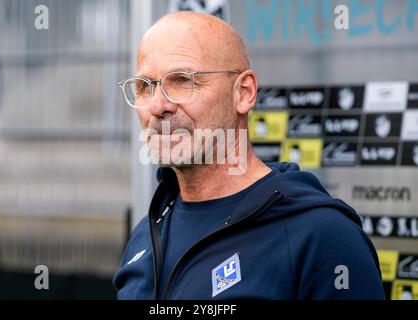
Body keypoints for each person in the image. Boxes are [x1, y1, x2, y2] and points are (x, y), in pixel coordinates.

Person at [113, 11, 385, 300]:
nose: (158, 106)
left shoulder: (322, 236)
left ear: (244, 93)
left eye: (182, 80)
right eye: (144, 86)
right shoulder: (148, 230)